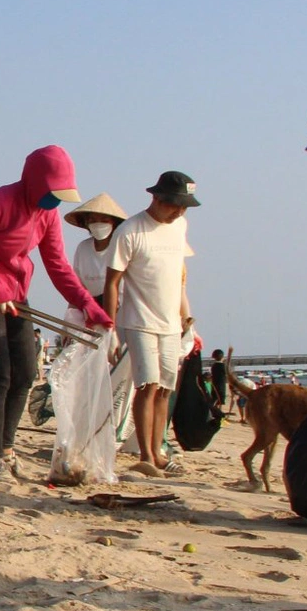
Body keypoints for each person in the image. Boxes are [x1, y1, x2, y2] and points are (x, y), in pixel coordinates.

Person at [0, 147, 113, 478]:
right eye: (52, 192)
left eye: (62, 195)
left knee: (27, 372)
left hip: (15, 294)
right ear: (33, 181)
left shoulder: (46, 215)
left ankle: (6, 449)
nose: (55, 200)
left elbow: (58, 266)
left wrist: (88, 304)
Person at [102, 172, 199, 477]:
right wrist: (110, 328)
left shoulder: (180, 226)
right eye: (174, 205)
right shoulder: (130, 231)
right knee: (148, 385)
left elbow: (178, 277)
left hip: (171, 322)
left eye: (184, 207)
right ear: (156, 199)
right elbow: (112, 282)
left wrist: (187, 318)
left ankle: (158, 452)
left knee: (165, 389)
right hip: (139, 320)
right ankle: (145, 454)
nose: (179, 212)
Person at [62, 193, 127, 320]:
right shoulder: (83, 248)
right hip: (92, 312)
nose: (98, 224)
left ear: (114, 222)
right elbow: (78, 287)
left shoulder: (121, 247)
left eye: (104, 220)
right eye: (93, 220)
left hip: (123, 312)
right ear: (86, 223)